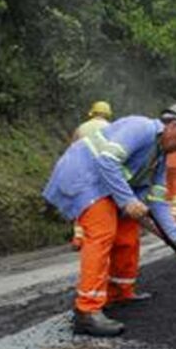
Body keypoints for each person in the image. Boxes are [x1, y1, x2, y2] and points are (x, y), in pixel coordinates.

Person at [43, 103, 176, 336]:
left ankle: (119, 293)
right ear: (175, 127)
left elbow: (157, 203)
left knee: (127, 233)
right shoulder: (142, 128)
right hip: (85, 176)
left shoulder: (159, 157)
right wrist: (127, 201)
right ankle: (86, 312)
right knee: (102, 231)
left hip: (108, 187)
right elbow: (106, 160)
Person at [70, 101, 114, 249]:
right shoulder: (111, 128)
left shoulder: (81, 128)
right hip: (102, 172)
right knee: (102, 205)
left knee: (81, 204)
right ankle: (99, 235)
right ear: (108, 114)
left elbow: (72, 150)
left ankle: (78, 238)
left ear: (92, 113)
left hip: (82, 170)